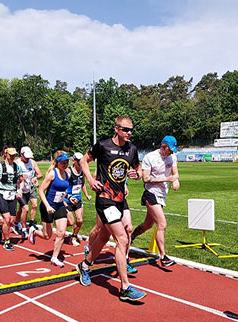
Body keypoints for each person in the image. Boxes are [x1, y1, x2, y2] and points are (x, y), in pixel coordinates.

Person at [76, 115, 147, 301]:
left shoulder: (132, 149)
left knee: (104, 237)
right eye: (126, 130)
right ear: (116, 129)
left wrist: (136, 174)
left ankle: (85, 265)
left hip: (121, 199)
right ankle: (125, 288)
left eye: (131, 130)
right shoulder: (103, 146)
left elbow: (138, 170)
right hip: (105, 199)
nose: (129, 133)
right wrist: (91, 180)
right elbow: (84, 161)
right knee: (122, 239)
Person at [131, 135, 180, 267]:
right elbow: (146, 179)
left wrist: (176, 181)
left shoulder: (173, 157)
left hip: (162, 195)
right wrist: (167, 179)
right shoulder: (150, 157)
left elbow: (175, 174)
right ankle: (163, 256)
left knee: (147, 225)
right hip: (150, 194)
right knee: (162, 224)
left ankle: (131, 237)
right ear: (163, 146)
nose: (171, 153)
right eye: (170, 150)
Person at [28, 151, 71, 267]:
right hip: (48, 206)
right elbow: (41, 191)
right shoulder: (52, 174)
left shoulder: (67, 174)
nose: (65, 164)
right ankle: (34, 231)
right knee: (47, 236)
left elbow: (63, 190)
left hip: (60, 205)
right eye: (62, 162)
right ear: (57, 162)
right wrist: (47, 206)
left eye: (66, 162)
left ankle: (54, 257)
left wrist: (69, 197)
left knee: (61, 232)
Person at [0, 147, 24, 251]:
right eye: (11, 155)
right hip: (1, 192)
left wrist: (20, 190)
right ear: (6, 154)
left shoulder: (17, 167)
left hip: (12, 193)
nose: (13, 157)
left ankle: (0, 229)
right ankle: (7, 241)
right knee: (6, 218)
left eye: (14, 155)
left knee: (12, 220)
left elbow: (21, 180)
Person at [15, 146, 43, 238]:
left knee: (34, 205)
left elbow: (40, 174)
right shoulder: (17, 163)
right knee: (25, 209)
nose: (27, 159)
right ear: (21, 154)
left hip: (30, 187)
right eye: (26, 157)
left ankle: (30, 223)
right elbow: (12, 177)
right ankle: (23, 229)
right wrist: (21, 177)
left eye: (29, 157)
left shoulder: (32, 162)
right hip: (20, 189)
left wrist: (35, 178)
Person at [65, 152, 92, 246]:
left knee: (80, 220)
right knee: (70, 222)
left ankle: (74, 237)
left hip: (78, 199)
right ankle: (61, 230)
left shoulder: (82, 171)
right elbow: (62, 186)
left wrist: (87, 195)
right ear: (74, 161)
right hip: (67, 200)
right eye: (78, 162)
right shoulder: (68, 172)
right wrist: (68, 196)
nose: (80, 163)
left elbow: (83, 184)